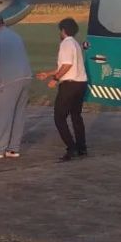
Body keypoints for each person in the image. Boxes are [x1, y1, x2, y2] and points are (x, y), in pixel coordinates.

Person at [37, 17, 88, 161]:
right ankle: (81, 148)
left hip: (69, 85)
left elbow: (67, 66)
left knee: (59, 117)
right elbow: (65, 66)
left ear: (63, 30)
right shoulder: (75, 44)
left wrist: (55, 79)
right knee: (76, 116)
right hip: (80, 83)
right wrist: (48, 74)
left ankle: (71, 148)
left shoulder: (66, 44)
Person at [0, 13, 31, 159]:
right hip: (26, 77)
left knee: (3, 115)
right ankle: (13, 149)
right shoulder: (16, 36)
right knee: (18, 115)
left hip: (9, 80)